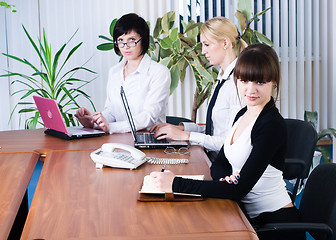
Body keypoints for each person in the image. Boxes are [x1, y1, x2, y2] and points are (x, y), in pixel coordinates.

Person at [149, 44, 305, 240]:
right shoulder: (243, 113)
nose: (250, 90)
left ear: (273, 82)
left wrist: (176, 184)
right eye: (244, 80)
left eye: (260, 82)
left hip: (273, 226)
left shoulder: (271, 125)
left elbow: (238, 190)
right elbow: (220, 163)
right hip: (244, 215)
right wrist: (229, 178)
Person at [150, 16, 247, 160]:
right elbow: (214, 130)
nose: (202, 51)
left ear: (225, 43)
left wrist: (186, 136)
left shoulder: (239, 84)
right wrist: (181, 128)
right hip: (213, 159)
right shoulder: (222, 79)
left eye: (207, 44)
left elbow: (229, 142)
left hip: (226, 167)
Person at [75, 13, 170, 134]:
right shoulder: (114, 72)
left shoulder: (159, 72)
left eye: (131, 40)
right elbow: (111, 112)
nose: (125, 46)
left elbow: (149, 117)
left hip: (149, 140)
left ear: (143, 40)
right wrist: (94, 121)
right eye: (120, 40)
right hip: (118, 138)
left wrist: (111, 128)